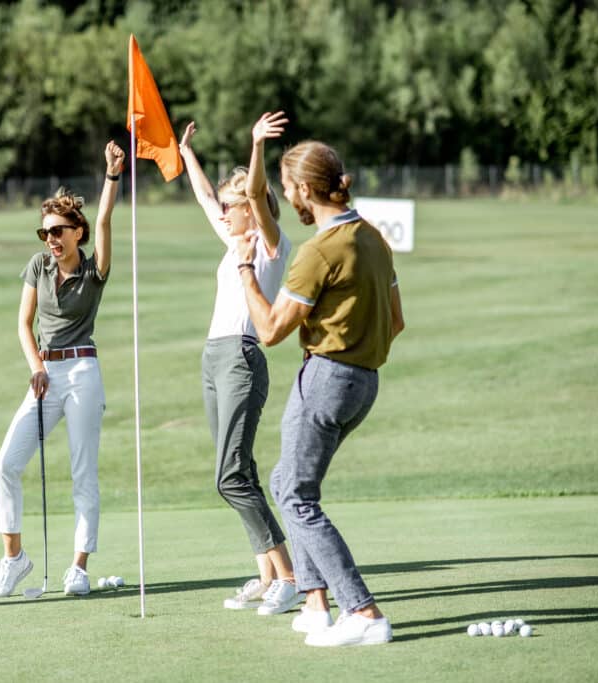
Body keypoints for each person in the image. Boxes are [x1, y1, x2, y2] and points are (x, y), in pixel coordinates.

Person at [234, 112, 405, 646]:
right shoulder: (373, 237)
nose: (288, 200)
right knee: (288, 483)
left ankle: (364, 612)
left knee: (299, 498)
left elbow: (269, 331)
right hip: (364, 382)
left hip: (327, 379)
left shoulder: (318, 251)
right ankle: (313, 603)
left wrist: (245, 270)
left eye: (288, 191)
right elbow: (395, 321)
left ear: (306, 189)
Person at [177, 116, 302, 616]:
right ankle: (267, 573)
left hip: (243, 357)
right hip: (214, 357)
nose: (224, 212)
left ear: (251, 209)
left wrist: (255, 146)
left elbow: (250, 190)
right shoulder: (235, 242)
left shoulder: (271, 243)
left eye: (235, 206)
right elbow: (208, 198)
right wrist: (186, 153)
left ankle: (290, 576)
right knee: (240, 468)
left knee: (229, 476)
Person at [0, 141, 125, 599]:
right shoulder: (38, 266)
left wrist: (110, 175)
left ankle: (79, 567)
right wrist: (36, 367)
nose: (51, 238)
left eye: (59, 230)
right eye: (45, 231)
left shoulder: (94, 270)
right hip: (46, 374)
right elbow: (23, 324)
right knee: (6, 464)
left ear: (77, 233)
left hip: (84, 372)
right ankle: (14, 558)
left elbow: (105, 220)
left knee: (83, 473)